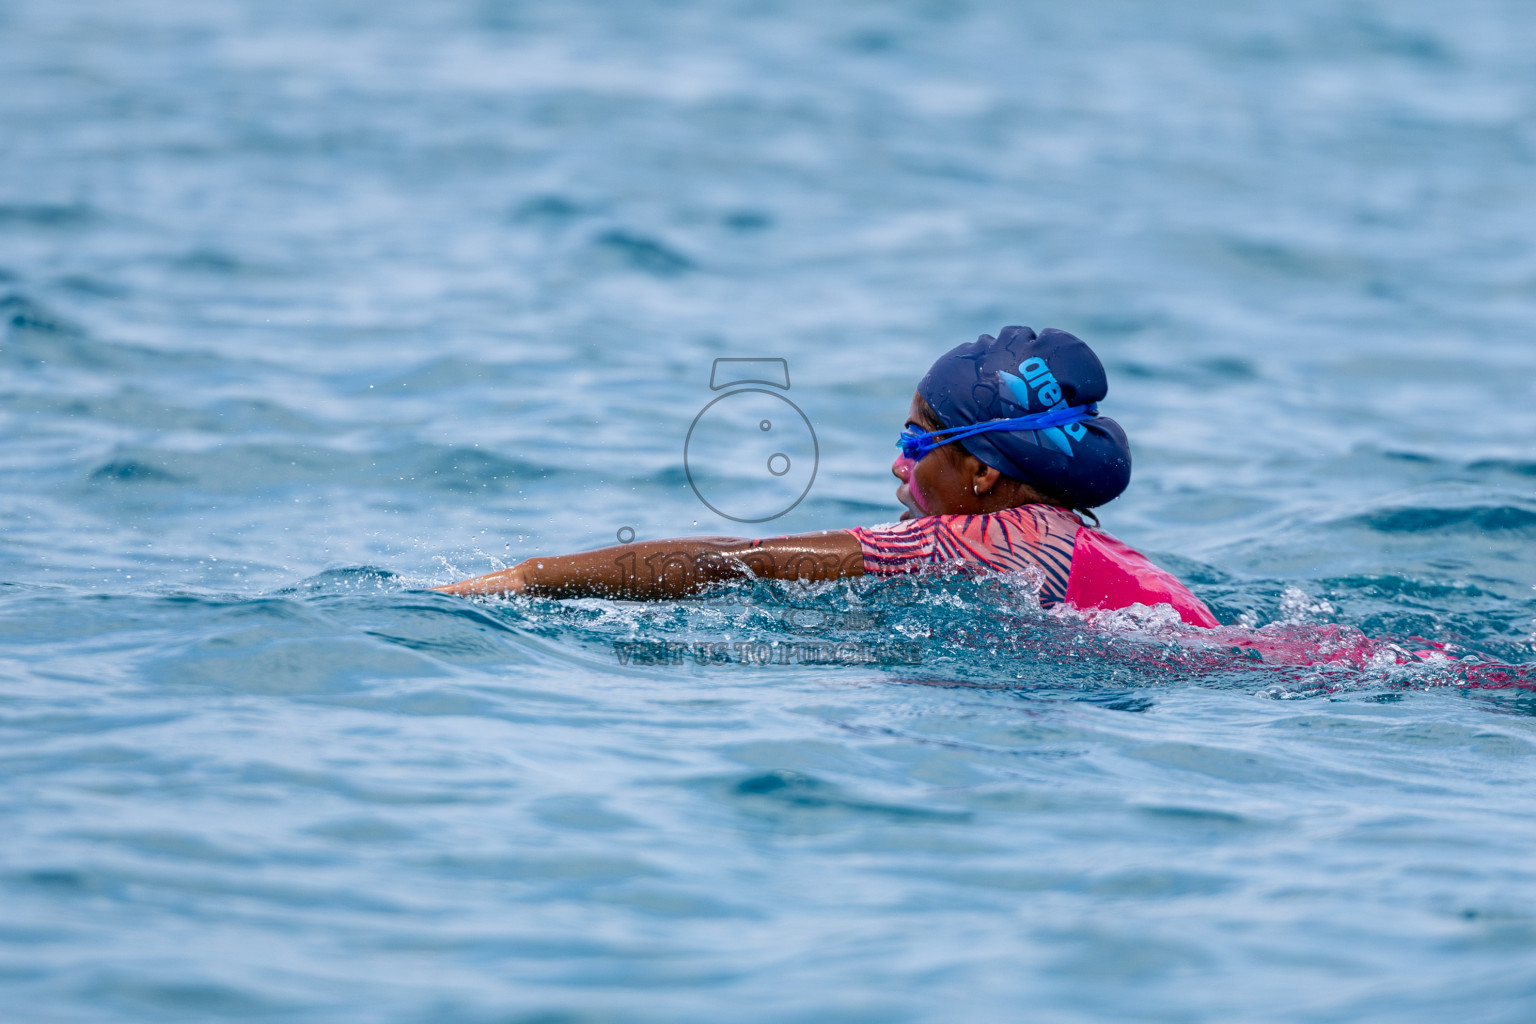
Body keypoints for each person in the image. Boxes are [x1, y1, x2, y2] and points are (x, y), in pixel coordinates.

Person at [435, 326, 1219, 628]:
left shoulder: (989, 541)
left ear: (981, 471)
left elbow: (736, 562)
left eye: (918, 440)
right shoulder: (1060, 538)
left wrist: (517, 580)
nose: (897, 463)